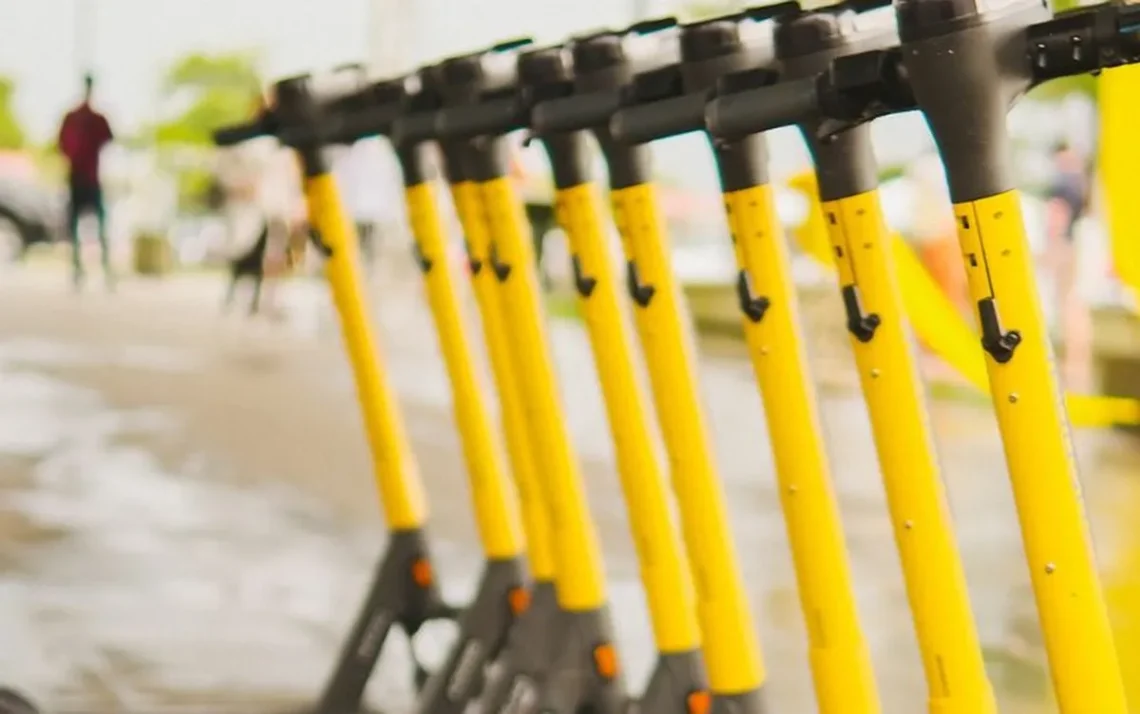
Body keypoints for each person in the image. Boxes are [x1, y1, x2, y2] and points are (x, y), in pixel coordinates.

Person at [57, 74, 115, 290]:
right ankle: (84, 270)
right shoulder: (80, 118)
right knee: (88, 227)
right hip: (85, 179)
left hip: (85, 178)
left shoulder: (82, 118)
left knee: (90, 227)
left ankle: (91, 270)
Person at [1044, 141, 1093, 389]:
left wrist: (1051, 250)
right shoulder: (1080, 181)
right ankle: (1076, 365)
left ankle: (1072, 365)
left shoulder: (1063, 182)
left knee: (1067, 305)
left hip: (1065, 247)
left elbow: (1057, 219)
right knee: (1073, 304)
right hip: (1074, 246)